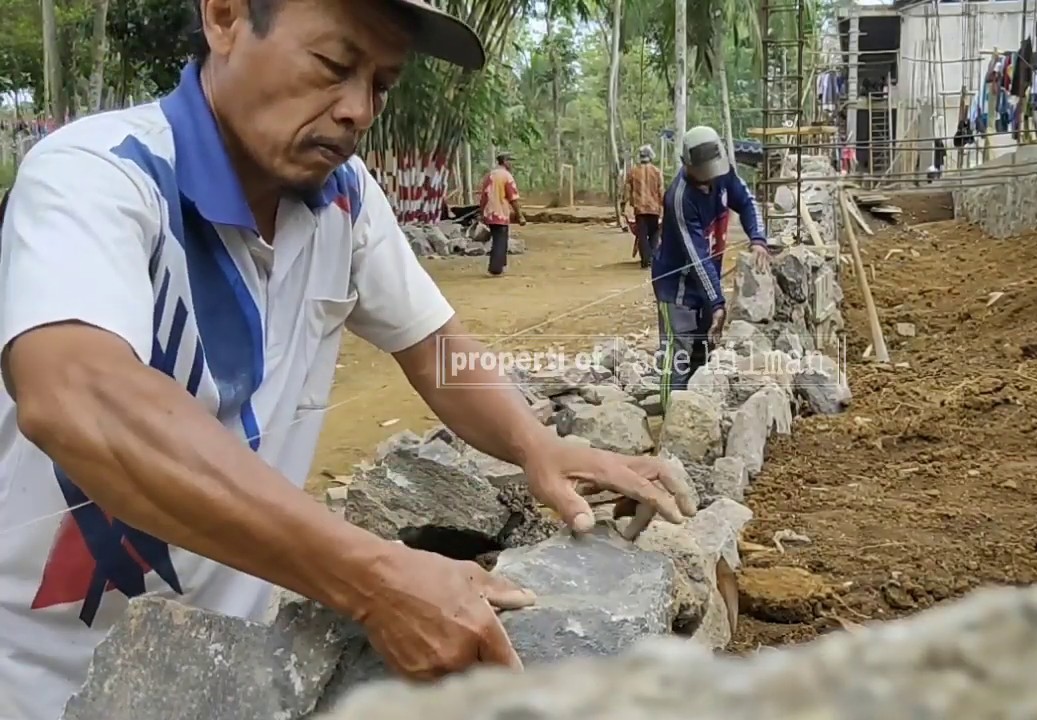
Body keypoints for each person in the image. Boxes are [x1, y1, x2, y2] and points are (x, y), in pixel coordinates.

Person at [0, 1, 696, 718]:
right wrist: (373, 577)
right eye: (334, 66)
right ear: (226, 16)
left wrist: (536, 444)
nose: (359, 109)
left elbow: (434, 346)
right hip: (36, 681)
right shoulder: (100, 174)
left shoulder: (344, 200)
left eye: (382, 85)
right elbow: (79, 396)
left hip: (217, 666)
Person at [651, 126, 769, 412]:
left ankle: (695, 410)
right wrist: (717, 301)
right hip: (677, 288)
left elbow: (747, 201)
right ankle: (672, 419)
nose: (711, 180)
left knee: (702, 349)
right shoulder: (679, 198)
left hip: (706, 280)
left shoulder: (724, 174)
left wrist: (758, 239)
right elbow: (696, 257)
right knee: (677, 353)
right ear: (689, 166)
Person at [478, 151, 524, 276]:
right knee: (500, 240)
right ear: (504, 161)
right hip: (500, 213)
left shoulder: (489, 175)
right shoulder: (506, 176)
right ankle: (496, 268)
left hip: (489, 212)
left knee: (497, 239)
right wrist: (520, 215)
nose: (512, 164)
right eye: (510, 161)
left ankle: (501, 265)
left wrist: (482, 212)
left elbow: (483, 196)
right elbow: (513, 198)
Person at [623, 144, 662, 269]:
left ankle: (646, 260)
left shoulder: (633, 172)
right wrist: (664, 206)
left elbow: (627, 190)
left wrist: (625, 204)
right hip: (654, 208)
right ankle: (652, 258)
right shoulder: (656, 172)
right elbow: (661, 191)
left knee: (642, 234)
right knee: (654, 233)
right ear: (651, 156)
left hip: (639, 209)